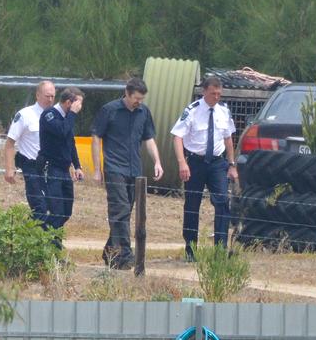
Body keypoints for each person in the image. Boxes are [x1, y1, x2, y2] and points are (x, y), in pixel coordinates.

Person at [91, 77, 164, 269]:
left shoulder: (144, 112)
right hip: (114, 167)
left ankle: (110, 252)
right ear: (127, 93)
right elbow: (96, 137)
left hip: (135, 170)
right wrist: (97, 169)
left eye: (141, 98)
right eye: (136, 98)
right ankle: (125, 255)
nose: (138, 102)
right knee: (120, 210)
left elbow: (149, 138)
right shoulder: (110, 110)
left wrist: (157, 161)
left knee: (125, 213)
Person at [170, 76, 238, 262]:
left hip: (217, 163)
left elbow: (228, 139)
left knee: (223, 202)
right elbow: (177, 136)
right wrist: (181, 163)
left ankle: (220, 249)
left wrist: (231, 164)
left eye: (219, 94)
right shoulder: (192, 111)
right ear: (204, 92)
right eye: (212, 93)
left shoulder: (224, 111)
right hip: (195, 162)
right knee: (192, 205)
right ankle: (191, 249)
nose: (216, 97)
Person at [5, 80, 56, 222]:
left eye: (53, 96)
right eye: (47, 96)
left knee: (53, 206)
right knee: (39, 206)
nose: (50, 99)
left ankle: (28, 233)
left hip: (50, 168)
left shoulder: (56, 116)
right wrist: (10, 169)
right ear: (37, 95)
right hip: (31, 166)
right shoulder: (25, 115)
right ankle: (44, 241)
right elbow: (9, 143)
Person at [37, 87, 84, 239]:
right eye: (78, 104)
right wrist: (72, 114)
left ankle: (43, 237)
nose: (80, 108)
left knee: (65, 212)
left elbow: (70, 142)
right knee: (56, 212)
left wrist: (77, 166)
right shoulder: (49, 114)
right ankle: (46, 244)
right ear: (69, 102)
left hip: (64, 170)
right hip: (50, 169)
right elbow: (62, 131)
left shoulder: (67, 118)